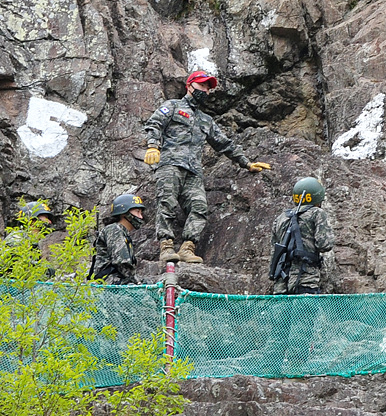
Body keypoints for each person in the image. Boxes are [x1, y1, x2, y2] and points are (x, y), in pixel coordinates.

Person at [143, 70, 271, 265]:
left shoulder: (206, 120)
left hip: (193, 172)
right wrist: (153, 145)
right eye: (202, 85)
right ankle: (166, 246)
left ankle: (187, 248)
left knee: (200, 207)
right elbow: (154, 124)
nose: (205, 90)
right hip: (170, 164)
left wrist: (246, 163)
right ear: (189, 86)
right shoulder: (173, 106)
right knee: (166, 203)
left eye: (208, 88)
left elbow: (225, 144)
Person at [270, 177, 337, 295]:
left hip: (281, 284)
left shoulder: (280, 218)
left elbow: (274, 249)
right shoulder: (317, 213)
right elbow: (324, 245)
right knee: (306, 313)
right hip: (305, 280)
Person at [90, 193, 145, 285]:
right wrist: (137, 282)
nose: (140, 217)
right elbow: (121, 262)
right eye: (137, 212)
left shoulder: (122, 232)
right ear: (125, 213)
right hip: (108, 283)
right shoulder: (114, 230)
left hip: (117, 282)